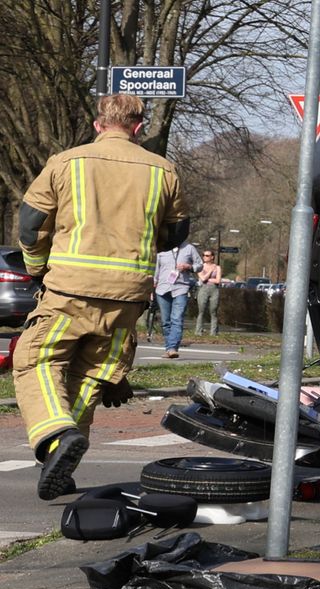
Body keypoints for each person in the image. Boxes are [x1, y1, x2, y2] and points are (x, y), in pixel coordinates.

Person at [13, 93, 189, 500]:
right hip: (129, 294)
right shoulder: (164, 170)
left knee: (36, 360)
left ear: (97, 125)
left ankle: (57, 433)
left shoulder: (66, 162)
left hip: (70, 287)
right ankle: (60, 455)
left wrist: (37, 265)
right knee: (91, 374)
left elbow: (31, 222)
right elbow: (177, 233)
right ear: (139, 127)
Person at [154, 242, 202, 357]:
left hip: (181, 288)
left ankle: (172, 348)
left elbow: (200, 265)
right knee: (166, 321)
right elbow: (156, 268)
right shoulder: (162, 248)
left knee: (177, 319)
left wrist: (189, 267)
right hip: (162, 288)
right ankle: (169, 348)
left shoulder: (189, 248)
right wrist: (153, 283)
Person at [195, 249, 221, 335]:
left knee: (213, 311)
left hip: (214, 290)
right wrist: (210, 272)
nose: (204, 257)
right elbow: (202, 278)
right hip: (203, 289)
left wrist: (207, 278)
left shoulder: (217, 267)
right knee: (201, 310)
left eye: (207, 255)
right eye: (203, 255)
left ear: (212, 257)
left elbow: (218, 280)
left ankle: (213, 332)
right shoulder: (200, 267)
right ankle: (198, 331)